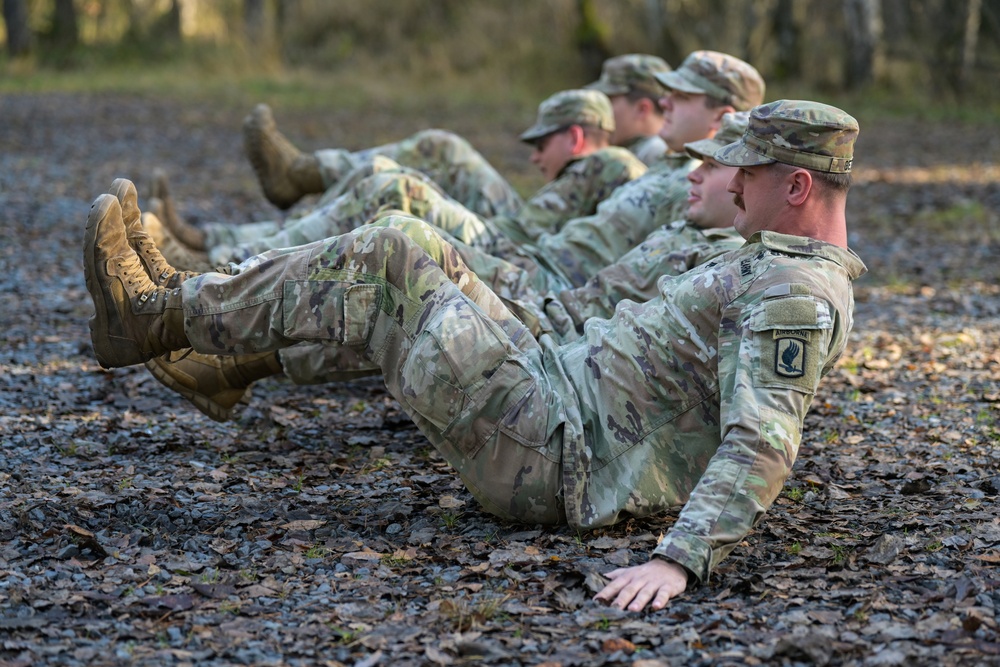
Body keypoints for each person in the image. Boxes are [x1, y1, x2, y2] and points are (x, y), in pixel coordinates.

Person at [83, 99, 865, 611]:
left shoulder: (796, 294)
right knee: (412, 247)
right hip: (556, 385)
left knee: (391, 256)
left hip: (557, 450)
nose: (729, 185)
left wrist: (680, 560)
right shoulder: (771, 259)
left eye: (749, 173)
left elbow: (766, 436)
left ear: (796, 185)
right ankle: (190, 316)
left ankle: (164, 317)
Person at [142, 111, 753, 424]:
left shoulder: (713, 222)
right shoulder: (677, 179)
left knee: (398, 247)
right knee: (398, 235)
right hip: (538, 272)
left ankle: (211, 307)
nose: (661, 104)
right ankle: (208, 294)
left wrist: (683, 554)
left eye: (675, 99)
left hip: (545, 296)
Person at [149, 89, 647, 269]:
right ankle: (219, 238)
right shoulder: (606, 172)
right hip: (518, 238)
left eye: (542, 145)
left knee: (394, 186)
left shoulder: (614, 166)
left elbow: (539, 241)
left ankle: (221, 265)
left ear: (576, 138)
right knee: (437, 149)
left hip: (518, 254)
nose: (536, 157)